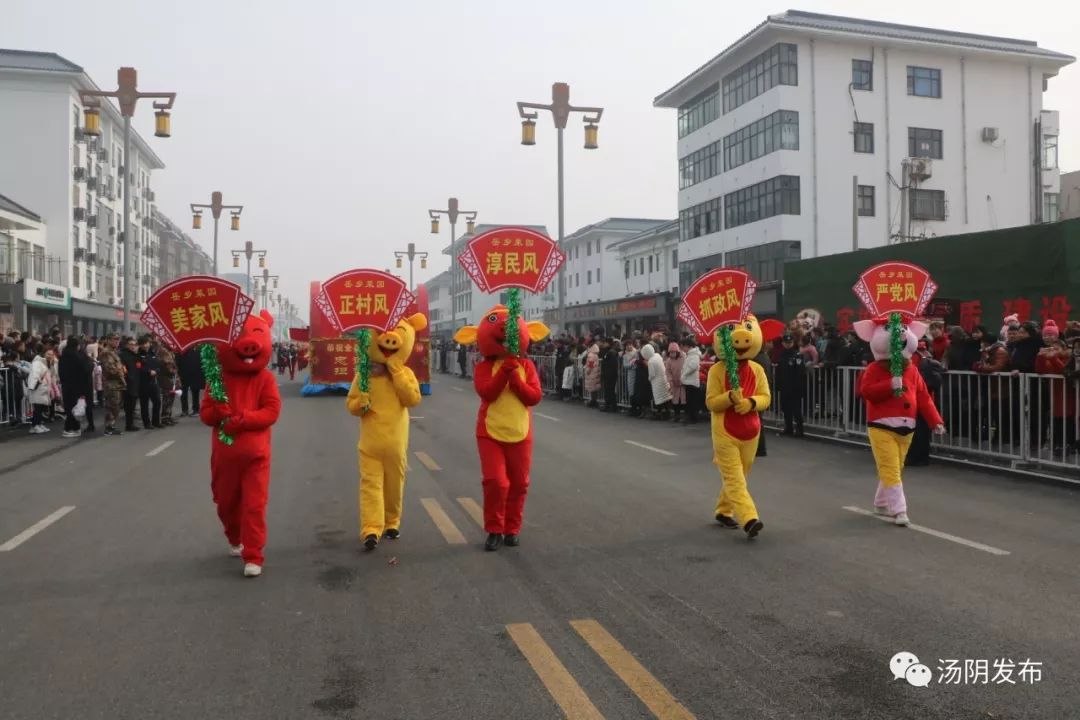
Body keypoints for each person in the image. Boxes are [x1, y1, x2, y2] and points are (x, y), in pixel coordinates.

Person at [453, 305, 548, 552]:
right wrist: (504, 372)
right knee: (496, 481)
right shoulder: (483, 367)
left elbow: (534, 397)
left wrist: (515, 377)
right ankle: (494, 528)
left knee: (519, 483)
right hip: (490, 432)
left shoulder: (526, 367)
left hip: (520, 431)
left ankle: (511, 529)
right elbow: (488, 393)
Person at [199, 311, 282, 578]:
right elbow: (205, 415)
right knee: (226, 503)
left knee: (254, 505)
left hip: (256, 455)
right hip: (224, 456)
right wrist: (218, 413)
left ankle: (254, 554)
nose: (248, 344)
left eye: (257, 335)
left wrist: (242, 420)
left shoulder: (265, 379)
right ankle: (235, 537)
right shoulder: (216, 378)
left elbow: (272, 412)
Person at [854, 318, 945, 527]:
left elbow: (923, 397)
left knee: (895, 466)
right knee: (891, 467)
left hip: (907, 426)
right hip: (881, 425)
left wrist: (935, 421)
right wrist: (890, 384)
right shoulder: (873, 369)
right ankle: (899, 510)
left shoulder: (912, 370)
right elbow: (866, 392)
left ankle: (881, 502)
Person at [347, 314, 427, 551]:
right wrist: (361, 402)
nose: (389, 341)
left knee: (394, 485)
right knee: (370, 485)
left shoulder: (406, 374)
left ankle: (392, 521)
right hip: (369, 444)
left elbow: (413, 399)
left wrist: (397, 373)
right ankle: (371, 528)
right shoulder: (364, 375)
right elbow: (351, 406)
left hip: (395, 443)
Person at [906, 343, 945, 466]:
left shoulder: (912, 358)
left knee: (916, 430)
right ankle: (922, 457)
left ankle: (914, 457)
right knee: (923, 429)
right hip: (926, 396)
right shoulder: (926, 356)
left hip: (915, 397)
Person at [775, 334, 807, 436]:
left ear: (793, 343)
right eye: (786, 343)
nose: (788, 344)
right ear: (783, 343)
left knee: (796, 409)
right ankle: (788, 428)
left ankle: (800, 429)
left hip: (794, 387)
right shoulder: (782, 355)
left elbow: (800, 373)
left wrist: (800, 388)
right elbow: (779, 371)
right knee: (785, 408)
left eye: (790, 343)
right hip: (785, 386)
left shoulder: (797, 355)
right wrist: (778, 385)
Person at [58, 337, 90, 438]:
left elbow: (61, 372)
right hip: (77, 386)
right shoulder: (78, 357)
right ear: (77, 346)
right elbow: (85, 371)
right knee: (75, 408)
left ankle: (72, 428)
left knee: (69, 408)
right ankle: (71, 428)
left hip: (66, 386)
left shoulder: (63, 357)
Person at [99, 334, 125, 436]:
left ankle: (111, 426)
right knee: (112, 406)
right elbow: (110, 369)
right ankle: (108, 427)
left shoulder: (114, 352)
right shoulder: (106, 353)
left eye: (118, 340)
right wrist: (120, 371)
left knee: (115, 406)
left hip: (117, 383)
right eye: (114, 339)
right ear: (108, 340)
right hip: (111, 383)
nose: (117, 341)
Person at [26, 344, 54, 434]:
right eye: (48, 354)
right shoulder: (38, 362)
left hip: (42, 388)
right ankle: (35, 425)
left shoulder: (46, 362)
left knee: (40, 407)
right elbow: (35, 374)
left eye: (51, 354)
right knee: (38, 408)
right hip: (38, 388)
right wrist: (36, 383)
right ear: (44, 353)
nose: (50, 356)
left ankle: (39, 424)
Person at [137, 335, 162, 429]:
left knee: (157, 402)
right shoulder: (138, 355)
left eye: (147, 343)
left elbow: (158, 365)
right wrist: (148, 371)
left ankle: (156, 421)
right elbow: (138, 367)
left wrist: (156, 371)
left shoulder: (153, 353)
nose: (145, 345)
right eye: (143, 344)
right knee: (144, 404)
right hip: (143, 383)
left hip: (154, 382)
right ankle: (147, 423)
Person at [641, 342, 672, 421]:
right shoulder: (658, 356)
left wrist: (649, 379)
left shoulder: (650, 361)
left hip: (656, 382)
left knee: (659, 398)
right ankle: (667, 413)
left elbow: (652, 374)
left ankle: (659, 413)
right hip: (664, 378)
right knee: (666, 398)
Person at [118, 336, 142, 432]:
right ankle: (129, 424)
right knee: (129, 405)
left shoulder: (135, 355)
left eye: (134, 344)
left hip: (136, 382)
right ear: (127, 345)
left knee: (132, 405)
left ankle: (130, 424)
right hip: (128, 382)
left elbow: (139, 366)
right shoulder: (123, 355)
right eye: (131, 344)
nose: (133, 346)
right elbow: (123, 369)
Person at [679, 337, 701, 424]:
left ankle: (693, 418)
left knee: (692, 401)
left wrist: (684, 374)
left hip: (692, 382)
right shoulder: (691, 354)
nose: (682, 349)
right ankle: (691, 417)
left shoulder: (694, 355)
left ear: (688, 346)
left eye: (683, 346)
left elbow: (693, 366)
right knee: (690, 400)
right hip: (689, 381)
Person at [178, 346, 205, 417]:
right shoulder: (181, 351)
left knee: (195, 392)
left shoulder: (198, 351)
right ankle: (185, 410)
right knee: (183, 392)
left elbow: (201, 363)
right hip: (184, 374)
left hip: (195, 374)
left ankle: (195, 409)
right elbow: (178, 362)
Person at [158, 343, 179, 426]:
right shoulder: (163, 352)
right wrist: (174, 370)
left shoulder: (170, 352)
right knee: (167, 399)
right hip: (166, 380)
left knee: (171, 398)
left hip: (171, 380)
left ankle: (168, 417)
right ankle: (164, 418)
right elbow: (168, 368)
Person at [600, 338, 620, 412]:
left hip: (610, 375)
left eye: (605, 343)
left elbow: (612, 365)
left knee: (610, 390)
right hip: (607, 374)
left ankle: (612, 406)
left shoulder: (612, 352)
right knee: (608, 390)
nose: (603, 344)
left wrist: (609, 373)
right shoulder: (607, 352)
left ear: (608, 343)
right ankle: (609, 405)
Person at [583, 340, 601, 408]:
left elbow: (591, 364)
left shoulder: (591, 354)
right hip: (595, 371)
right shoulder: (595, 354)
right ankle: (594, 401)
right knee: (594, 388)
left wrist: (588, 371)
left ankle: (593, 401)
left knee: (592, 388)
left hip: (592, 372)